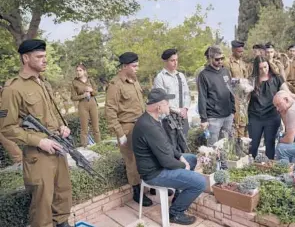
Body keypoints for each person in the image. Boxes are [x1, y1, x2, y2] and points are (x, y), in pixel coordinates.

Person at [0, 39, 73, 227]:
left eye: (45, 56)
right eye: (39, 57)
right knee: (42, 205)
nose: (44, 60)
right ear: (25, 58)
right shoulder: (13, 89)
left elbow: (52, 116)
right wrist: (40, 142)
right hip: (38, 156)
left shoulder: (44, 84)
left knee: (62, 195)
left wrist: (62, 127)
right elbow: (7, 128)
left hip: (57, 148)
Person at [132, 88, 206, 225]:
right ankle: (175, 213)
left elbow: (166, 145)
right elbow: (167, 162)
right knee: (200, 182)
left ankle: (178, 196)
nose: (169, 106)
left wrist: (180, 156)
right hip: (155, 173)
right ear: (159, 107)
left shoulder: (152, 119)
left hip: (159, 165)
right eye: (167, 103)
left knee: (191, 158)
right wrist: (184, 166)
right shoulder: (149, 126)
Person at [105, 52, 153, 206]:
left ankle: (150, 184)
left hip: (142, 125)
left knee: (147, 156)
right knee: (132, 160)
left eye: (137, 65)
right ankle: (137, 192)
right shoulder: (115, 85)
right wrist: (120, 134)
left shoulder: (134, 81)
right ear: (124, 66)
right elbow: (110, 111)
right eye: (134, 66)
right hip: (127, 128)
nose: (137, 68)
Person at [248, 56, 295, 159]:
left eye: (265, 67)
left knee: (270, 143)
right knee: (253, 144)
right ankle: (251, 165)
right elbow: (244, 97)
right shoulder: (252, 80)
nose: (264, 70)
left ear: (268, 65)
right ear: (256, 68)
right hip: (255, 116)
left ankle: (269, 165)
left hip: (272, 116)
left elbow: (288, 94)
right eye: (260, 68)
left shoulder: (277, 78)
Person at [197, 45, 235, 146]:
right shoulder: (204, 75)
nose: (220, 61)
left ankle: (224, 162)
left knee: (226, 146)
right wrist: (203, 119)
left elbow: (231, 91)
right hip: (213, 118)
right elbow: (202, 97)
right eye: (217, 59)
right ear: (210, 58)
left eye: (222, 58)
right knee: (213, 148)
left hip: (228, 115)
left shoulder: (225, 71)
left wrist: (233, 110)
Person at [153, 49, 191, 136]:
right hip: (168, 118)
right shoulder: (160, 78)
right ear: (165, 61)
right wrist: (178, 110)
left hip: (183, 116)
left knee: (184, 144)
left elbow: (187, 94)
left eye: (176, 60)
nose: (175, 63)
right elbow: (161, 100)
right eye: (172, 60)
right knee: (171, 146)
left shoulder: (180, 76)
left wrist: (185, 108)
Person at [71, 63, 101, 147]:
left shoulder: (90, 80)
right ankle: (85, 146)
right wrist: (83, 95)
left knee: (96, 127)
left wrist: (91, 90)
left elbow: (96, 92)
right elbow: (73, 97)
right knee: (84, 128)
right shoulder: (74, 82)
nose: (78, 72)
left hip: (92, 103)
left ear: (84, 71)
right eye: (77, 70)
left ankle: (99, 145)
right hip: (82, 105)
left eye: (80, 70)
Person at [227, 40, 251, 138]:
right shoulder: (227, 63)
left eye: (242, 51)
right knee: (235, 121)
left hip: (243, 96)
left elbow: (247, 77)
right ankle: (236, 144)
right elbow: (227, 80)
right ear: (233, 50)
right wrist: (239, 82)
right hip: (233, 96)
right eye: (239, 52)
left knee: (243, 120)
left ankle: (243, 143)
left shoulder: (242, 63)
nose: (241, 54)